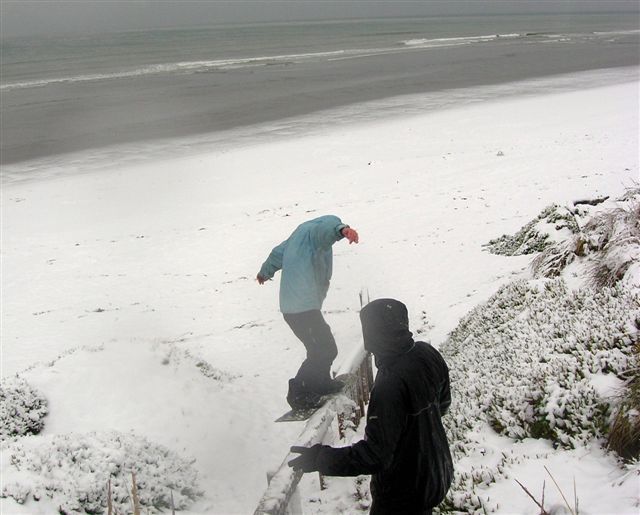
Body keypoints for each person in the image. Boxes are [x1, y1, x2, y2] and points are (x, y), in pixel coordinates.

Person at [288, 298, 453, 515]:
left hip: (401, 495)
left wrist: (320, 458)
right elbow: (443, 403)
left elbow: (375, 455)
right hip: (434, 474)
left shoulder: (388, 384)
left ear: (372, 334)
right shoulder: (426, 353)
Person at [257, 215, 359, 410]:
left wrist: (264, 273)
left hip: (295, 308)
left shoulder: (295, 239)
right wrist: (343, 230)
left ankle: (320, 384)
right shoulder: (315, 233)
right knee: (324, 349)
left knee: (320, 348)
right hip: (302, 307)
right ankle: (298, 394)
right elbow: (326, 230)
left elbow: (275, 255)